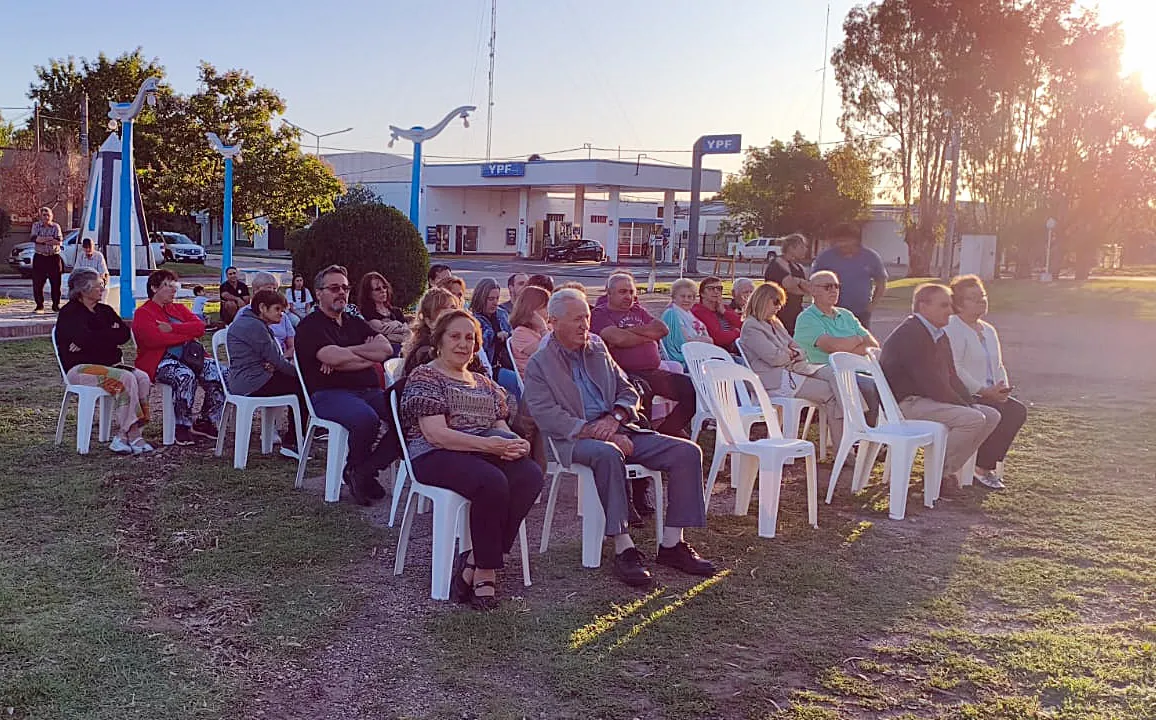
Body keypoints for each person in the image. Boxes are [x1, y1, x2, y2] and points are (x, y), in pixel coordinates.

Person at [524, 289, 717, 587]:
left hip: (619, 427)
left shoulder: (597, 347)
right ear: (553, 322)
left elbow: (629, 391)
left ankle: (672, 544)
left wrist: (615, 419)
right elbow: (547, 415)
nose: (584, 326)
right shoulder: (540, 363)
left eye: (586, 318)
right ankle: (624, 547)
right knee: (608, 454)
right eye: (576, 319)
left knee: (687, 452)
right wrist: (597, 432)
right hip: (574, 439)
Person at [400, 310, 545, 609]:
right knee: (491, 482)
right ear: (439, 341)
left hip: (480, 451)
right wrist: (491, 446)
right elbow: (436, 434)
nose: (463, 344)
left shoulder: (484, 382)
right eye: (455, 336)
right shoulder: (426, 376)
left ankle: (475, 560)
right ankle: (486, 570)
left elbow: (500, 427)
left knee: (529, 474)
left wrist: (512, 444)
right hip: (435, 455)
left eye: (470, 338)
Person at [294, 264, 398, 504]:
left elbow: (384, 350)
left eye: (345, 288)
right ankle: (359, 472)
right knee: (366, 419)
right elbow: (334, 358)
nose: (341, 292)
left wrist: (346, 354)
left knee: (407, 416)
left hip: (369, 390)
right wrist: (364, 356)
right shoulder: (310, 326)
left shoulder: (354, 322)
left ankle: (363, 470)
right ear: (318, 293)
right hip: (329, 394)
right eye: (334, 288)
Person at [879, 283, 1001, 486]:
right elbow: (930, 382)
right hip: (907, 404)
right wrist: (962, 405)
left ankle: (943, 472)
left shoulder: (938, 334)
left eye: (950, 305)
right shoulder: (912, 334)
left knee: (990, 415)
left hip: (927, 400)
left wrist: (968, 402)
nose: (950, 311)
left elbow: (952, 376)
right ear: (923, 307)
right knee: (972, 419)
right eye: (944, 305)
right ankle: (937, 475)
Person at [55, 268, 152, 454]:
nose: (103, 288)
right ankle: (131, 436)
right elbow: (84, 337)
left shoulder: (105, 310)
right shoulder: (70, 313)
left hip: (109, 366)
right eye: (99, 285)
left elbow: (123, 335)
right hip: (80, 369)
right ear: (84, 289)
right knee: (125, 378)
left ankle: (128, 434)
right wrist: (108, 334)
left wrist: (95, 337)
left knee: (142, 377)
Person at [739, 283, 844, 450]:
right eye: (775, 302)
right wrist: (790, 353)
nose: (778, 307)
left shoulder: (775, 323)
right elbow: (773, 358)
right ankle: (845, 445)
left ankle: (853, 418)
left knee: (836, 375)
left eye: (780, 303)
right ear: (762, 300)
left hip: (794, 370)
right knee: (832, 394)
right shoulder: (751, 326)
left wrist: (790, 353)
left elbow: (800, 350)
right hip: (774, 379)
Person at [944, 275, 1026, 490]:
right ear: (958, 304)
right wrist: (983, 391)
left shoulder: (988, 330)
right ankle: (980, 467)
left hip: (991, 392)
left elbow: (998, 365)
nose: (981, 300)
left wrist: (1002, 388)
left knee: (1016, 410)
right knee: (1001, 413)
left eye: (982, 295)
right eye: (973, 297)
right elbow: (956, 368)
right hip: (966, 393)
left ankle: (982, 465)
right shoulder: (952, 327)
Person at [591, 273, 696, 437]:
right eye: (623, 292)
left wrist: (627, 333)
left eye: (632, 292)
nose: (628, 296)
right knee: (641, 393)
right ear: (609, 293)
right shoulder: (600, 314)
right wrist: (647, 334)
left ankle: (667, 430)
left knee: (690, 388)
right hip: (624, 375)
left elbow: (662, 329)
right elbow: (617, 338)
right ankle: (645, 436)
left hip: (653, 372)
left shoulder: (638, 311)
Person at [133, 269, 226, 446]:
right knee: (185, 376)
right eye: (168, 285)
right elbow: (153, 340)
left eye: (174, 285)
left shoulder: (179, 308)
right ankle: (181, 425)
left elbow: (199, 327)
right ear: (154, 288)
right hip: (160, 360)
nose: (173, 290)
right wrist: (186, 334)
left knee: (220, 373)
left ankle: (206, 420)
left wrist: (173, 329)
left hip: (190, 357)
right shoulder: (143, 313)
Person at [226, 289, 307, 458]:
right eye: (277, 309)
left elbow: (272, 359)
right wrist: (302, 374)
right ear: (262, 308)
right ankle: (293, 441)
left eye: (283, 310)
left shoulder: (250, 321)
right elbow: (277, 360)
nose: (282, 314)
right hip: (252, 382)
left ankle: (296, 437)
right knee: (303, 387)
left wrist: (276, 365)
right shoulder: (255, 326)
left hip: (249, 377)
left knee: (298, 383)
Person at [793, 270, 881, 421]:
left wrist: (846, 346)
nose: (834, 290)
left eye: (837, 286)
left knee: (893, 382)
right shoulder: (806, 318)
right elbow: (831, 346)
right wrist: (858, 339)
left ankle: (888, 431)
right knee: (870, 386)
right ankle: (866, 434)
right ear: (813, 290)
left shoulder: (846, 315)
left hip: (859, 369)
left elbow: (873, 345)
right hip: (830, 373)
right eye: (827, 287)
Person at [811, 223, 888, 328]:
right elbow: (814, 283)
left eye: (844, 241)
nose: (840, 245)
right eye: (837, 241)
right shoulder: (825, 258)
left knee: (861, 342)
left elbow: (881, 282)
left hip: (861, 313)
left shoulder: (870, 257)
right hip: (832, 311)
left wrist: (871, 306)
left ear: (854, 240)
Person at [403, 287, 487, 376]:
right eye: (442, 311)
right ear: (429, 322)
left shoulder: (467, 345)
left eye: (453, 308)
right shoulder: (425, 355)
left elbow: (483, 376)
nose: (451, 314)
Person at [468, 277, 520, 398]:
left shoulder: (501, 313)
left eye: (497, 298)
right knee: (517, 383)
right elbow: (478, 345)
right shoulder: (473, 319)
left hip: (510, 362)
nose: (495, 302)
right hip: (490, 367)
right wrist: (495, 337)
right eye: (490, 299)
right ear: (481, 298)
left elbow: (513, 335)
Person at [659, 278, 712, 369]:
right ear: (674, 298)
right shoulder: (672, 314)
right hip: (681, 357)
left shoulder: (689, 314)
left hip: (695, 354)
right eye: (683, 296)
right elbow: (682, 341)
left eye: (690, 297)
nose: (686, 300)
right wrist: (706, 340)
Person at [764, 233, 810, 333]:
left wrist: (798, 283)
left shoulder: (798, 267)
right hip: (779, 314)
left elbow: (808, 288)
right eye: (801, 247)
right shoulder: (777, 264)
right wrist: (800, 282)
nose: (805, 249)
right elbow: (788, 285)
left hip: (796, 314)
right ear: (791, 248)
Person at [356, 272, 410, 356]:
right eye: (377, 289)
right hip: (385, 354)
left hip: (405, 349)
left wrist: (395, 323)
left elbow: (408, 333)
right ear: (368, 294)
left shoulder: (396, 311)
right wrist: (400, 326)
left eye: (384, 287)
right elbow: (381, 330)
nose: (383, 291)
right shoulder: (366, 314)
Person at [692, 276, 743, 353]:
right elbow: (718, 338)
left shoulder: (724, 308)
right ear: (702, 293)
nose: (716, 291)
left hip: (738, 346)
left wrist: (724, 312)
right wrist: (737, 332)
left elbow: (743, 325)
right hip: (720, 352)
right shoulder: (699, 311)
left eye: (719, 288)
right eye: (710, 288)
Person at [508, 284, 551, 377]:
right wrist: (543, 328)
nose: (549, 311)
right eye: (545, 307)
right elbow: (547, 354)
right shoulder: (520, 333)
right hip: (535, 380)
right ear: (532, 310)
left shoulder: (547, 329)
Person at [249, 272, 295, 359]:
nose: (273, 293)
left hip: (282, 359)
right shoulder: (246, 315)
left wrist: (283, 358)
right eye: (269, 289)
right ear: (255, 291)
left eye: (275, 289)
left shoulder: (282, 316)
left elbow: (292, 346)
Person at [30, 206, 64, 313]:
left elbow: (58, 241)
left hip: (53, 257)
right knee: (38, 283)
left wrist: (42, 240)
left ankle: (56, 305)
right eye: (44, 215)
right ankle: (39, 305)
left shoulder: (56, 226)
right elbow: (34, 239)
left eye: (48, 215)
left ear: (52, 216)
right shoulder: (36, 226)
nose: (46, 217)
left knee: (56, 283)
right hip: (40, 257)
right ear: (40, 216)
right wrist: (50, 239)